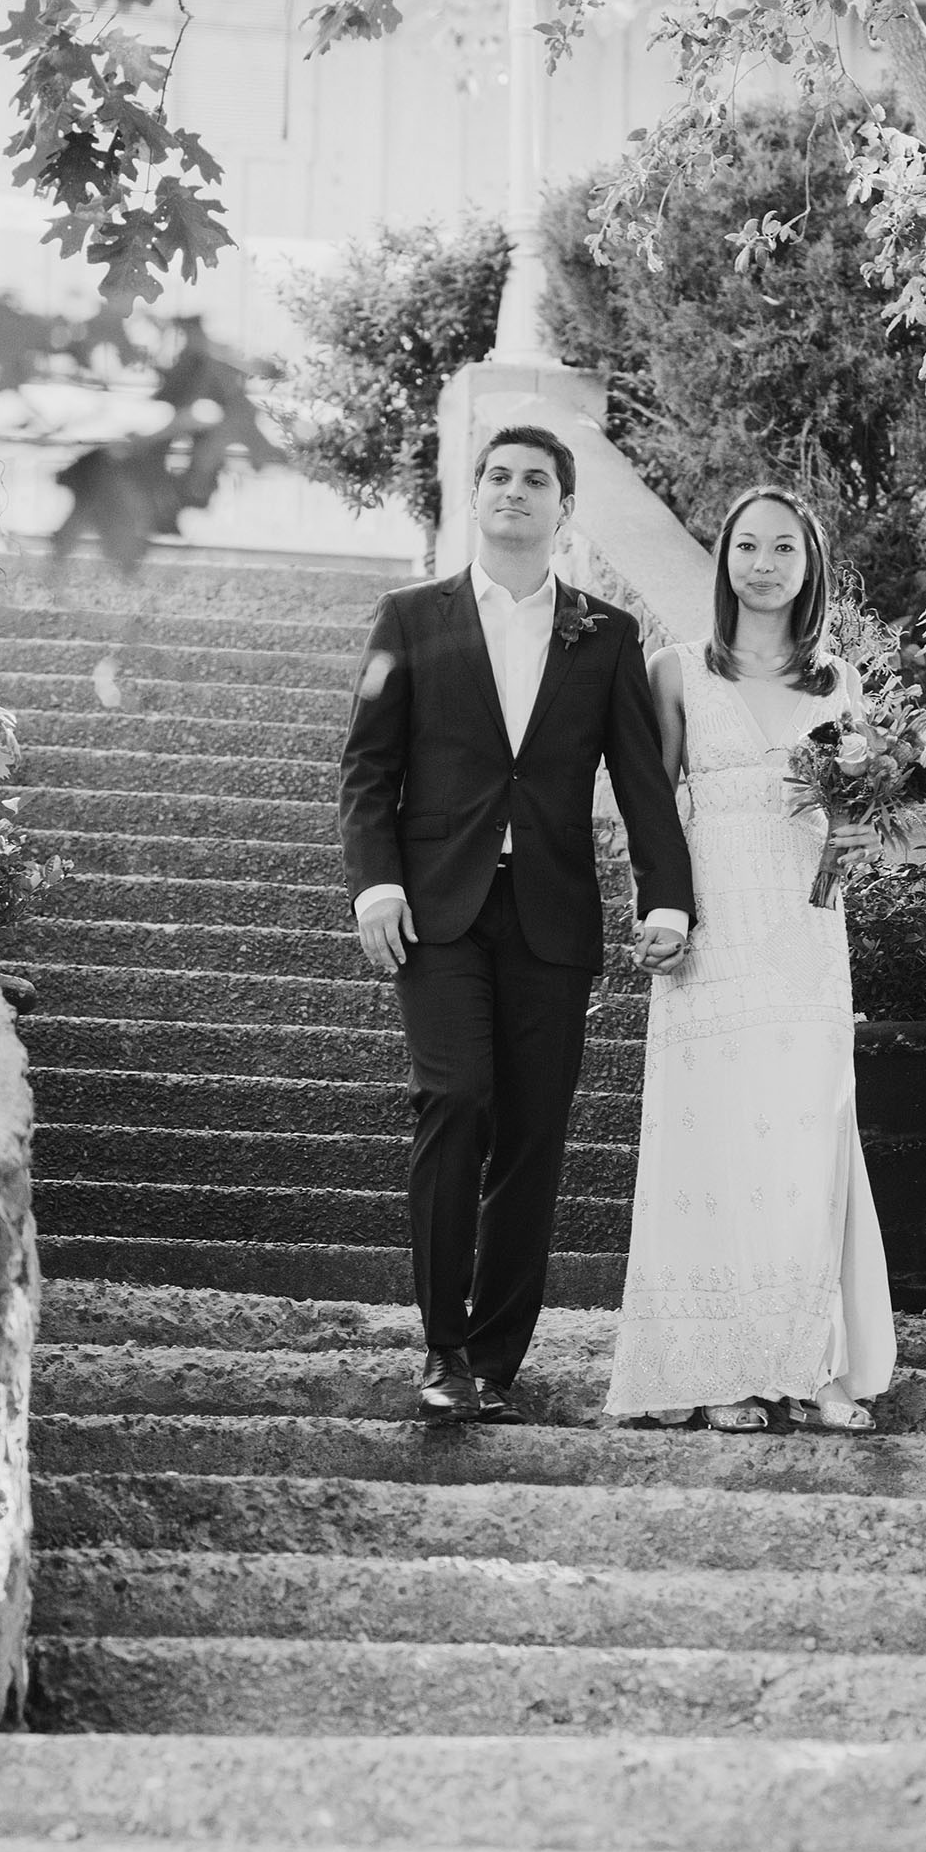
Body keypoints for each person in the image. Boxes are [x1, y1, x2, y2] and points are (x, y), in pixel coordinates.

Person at [340, 424, 696, 1423]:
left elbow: (639, 778)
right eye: (497, 475)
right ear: (477, 494)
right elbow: (368, 766)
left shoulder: (606, 633)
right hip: (438, 911)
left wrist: (665, 896)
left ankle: (496, 1355)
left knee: (534, 1135)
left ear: (561, 509)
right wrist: (376, 884)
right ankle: (443, 1344)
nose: (513, 491)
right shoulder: (408, 618)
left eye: (535, 480)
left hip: (551, 914)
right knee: (457, 1101)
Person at [604, 485, 897, 1434]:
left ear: (808, 564)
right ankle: (722, 1364)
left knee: (808, 1140)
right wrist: (660, 911)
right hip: (717, 930)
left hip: (807, 936)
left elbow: (860, 818)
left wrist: (860, 831)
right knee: (718, 1140)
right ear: (724, 560)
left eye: (783, 548)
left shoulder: (838, 682)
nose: (762, 563)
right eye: (745, 547)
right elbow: (653, 806)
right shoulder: (677, 668)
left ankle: (815, 1365)